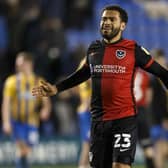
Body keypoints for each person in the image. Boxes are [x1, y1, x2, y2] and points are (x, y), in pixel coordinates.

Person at [32, 5, 168, 168]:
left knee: (120, 166)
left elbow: (161, 72)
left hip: (124, 119)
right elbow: (82, 74)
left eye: (112, 19)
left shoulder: (133, 49)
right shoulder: (94, 49)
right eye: (104, 19)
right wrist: (57, 88)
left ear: (122, 25)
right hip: (98, 120)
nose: (107, 22)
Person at [2, 52, 51, 168]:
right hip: (16, 122)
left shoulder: (39, 82)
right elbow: (6, 103)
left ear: (29, 64)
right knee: (22, 150)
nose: (18, 66)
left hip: (32, 122)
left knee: (27, 151)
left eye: (21, 64)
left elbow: (47, 103)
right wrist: (6, 122)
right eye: (17, 64)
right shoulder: (12, 81)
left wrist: (46, 110)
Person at [149, 49, 168, 168]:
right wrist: (164, 119)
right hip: (159, 118)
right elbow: (156, 103)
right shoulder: (155, 80)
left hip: (161, 118)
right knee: (160, 147)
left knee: (162, 148)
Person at [134, 68, 155, 168]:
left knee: (123, 146)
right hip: (141, 112)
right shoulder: (145, 76)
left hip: (127, 112)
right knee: (147, 145)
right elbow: (149, 98)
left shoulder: (124, 73)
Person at [77, 79, 91, 168]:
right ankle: (82, 165)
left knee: (90, 144)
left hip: (87, 112)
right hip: (87, 113)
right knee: (87, 143)